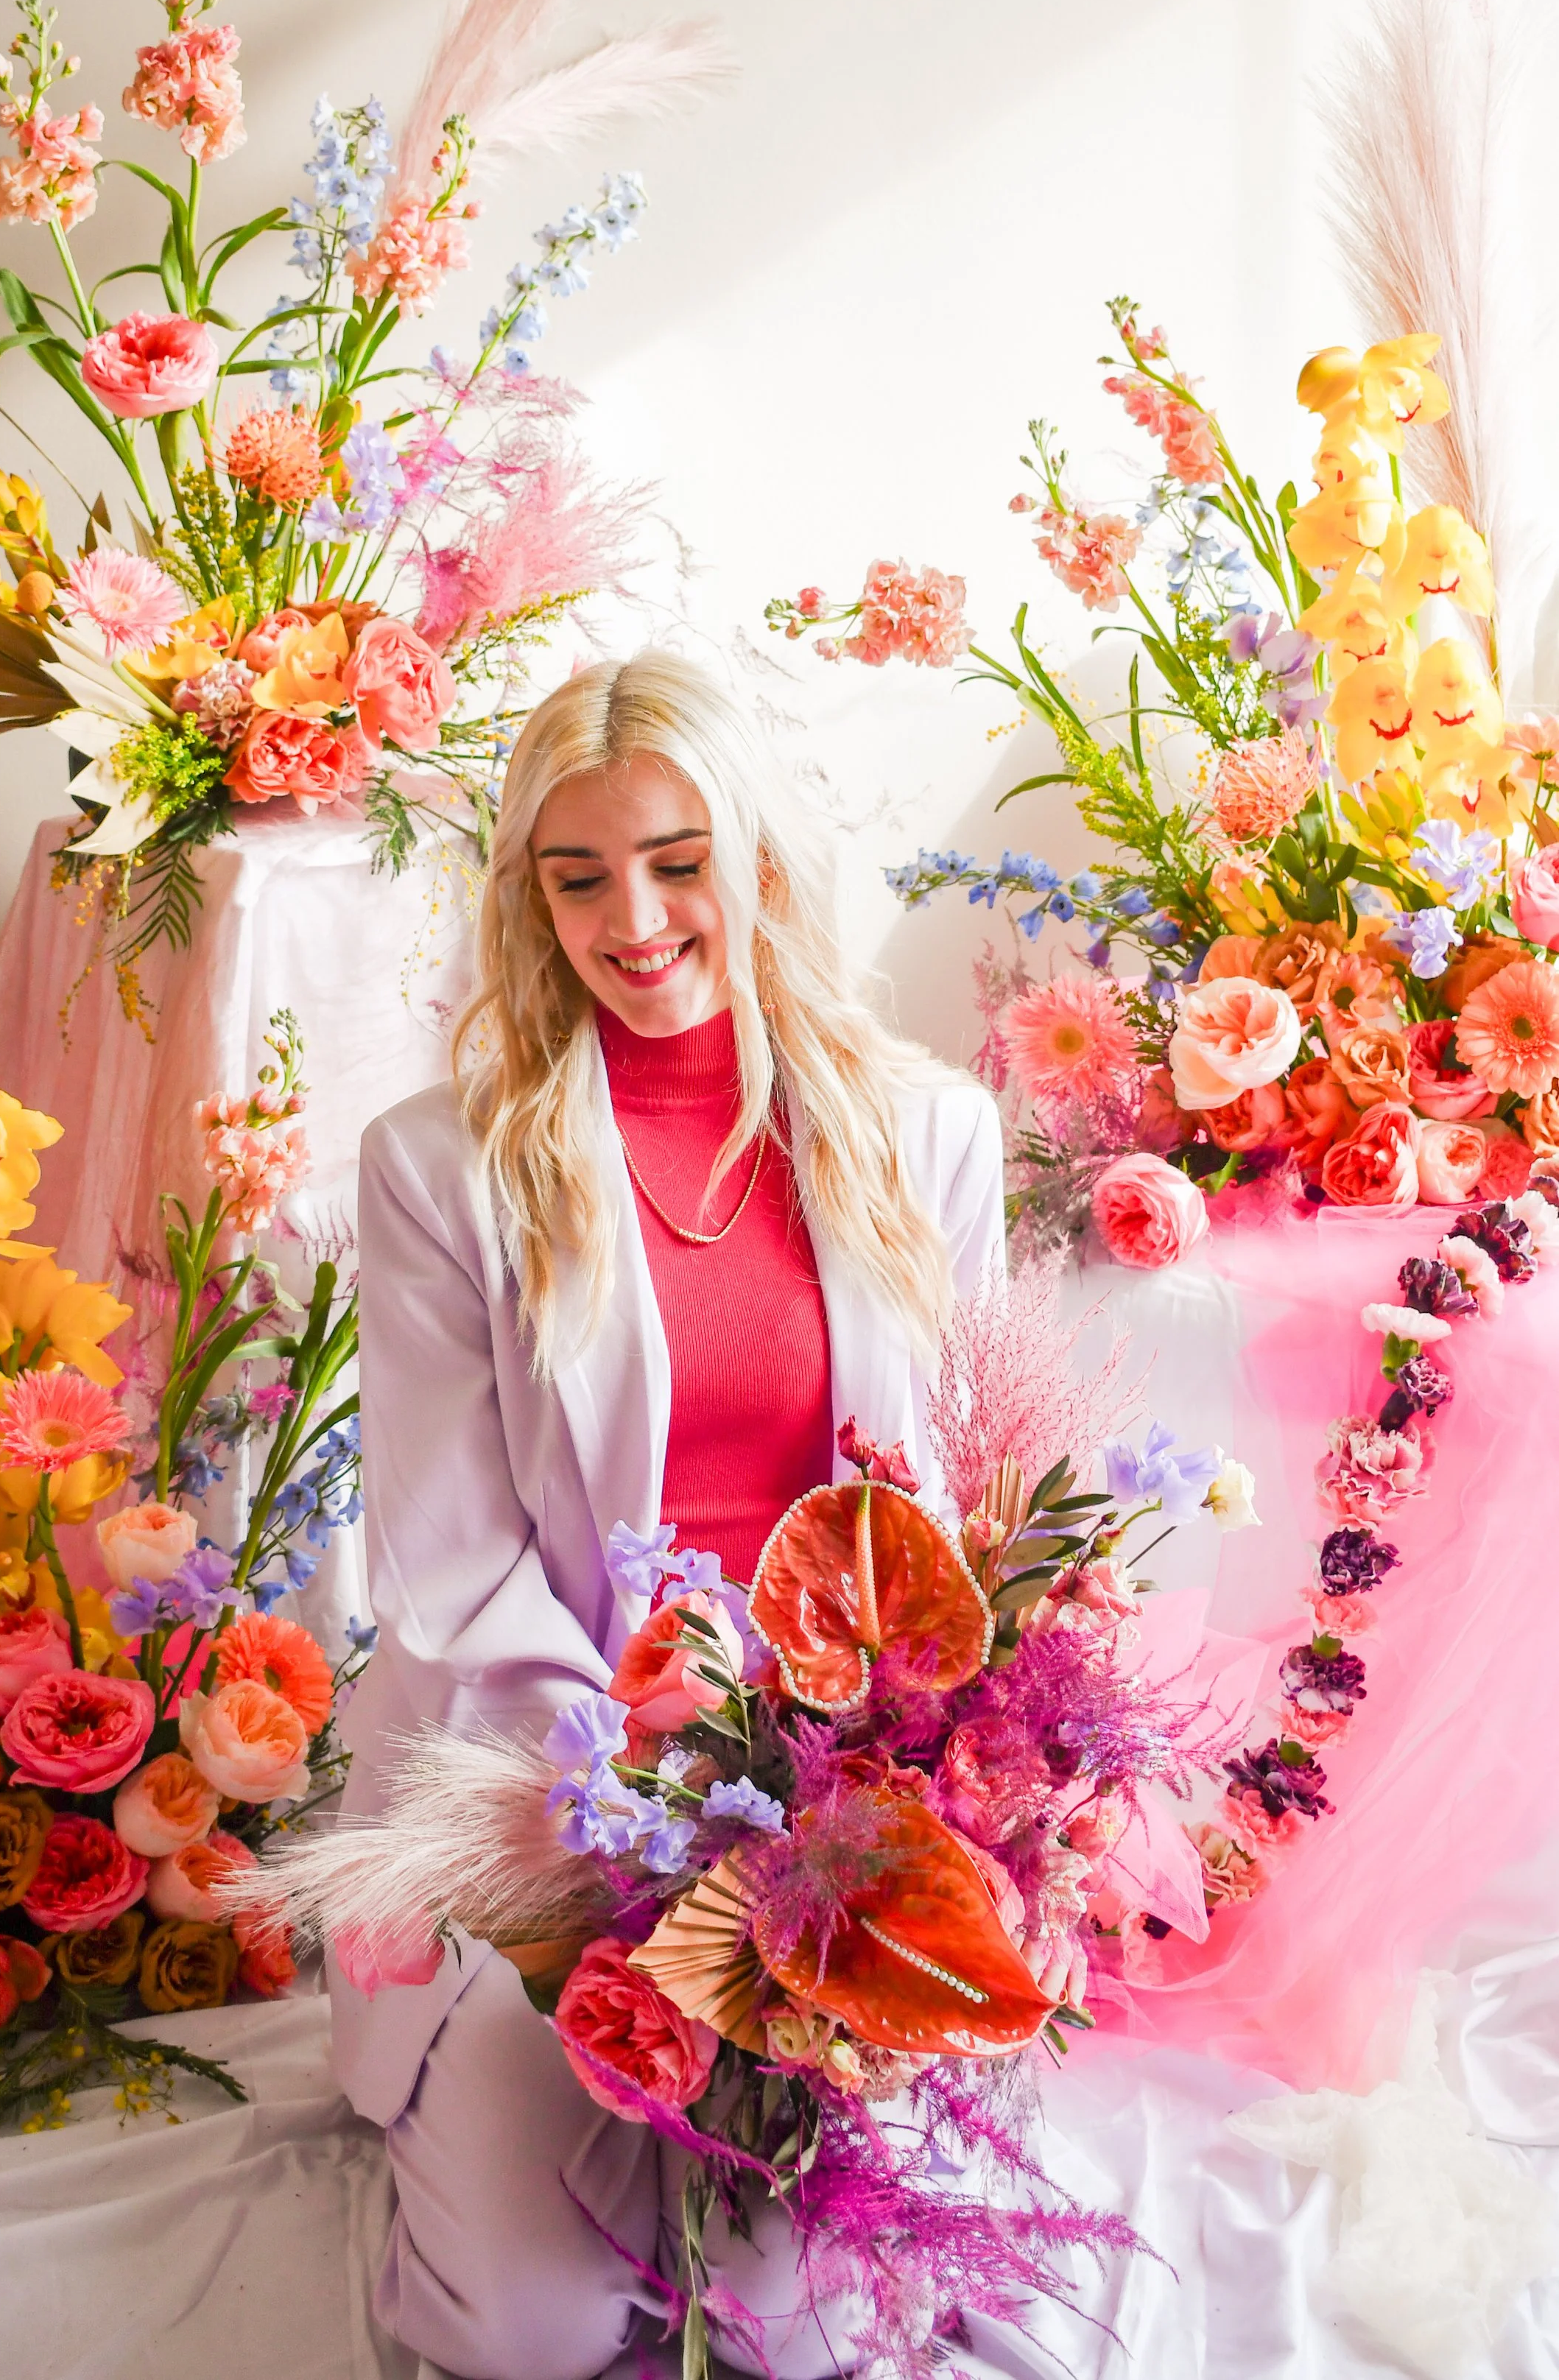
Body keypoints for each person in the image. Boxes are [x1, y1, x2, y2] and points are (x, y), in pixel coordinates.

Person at [331, 648, 1003, 2380]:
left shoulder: (925, 1132)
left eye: (674, 860)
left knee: (796, 2319)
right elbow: (454, 1571)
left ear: (756, 862)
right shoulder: (439, 1168)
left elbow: (968, 1501)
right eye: (576, 877)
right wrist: (652, 1803)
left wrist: (862, 1792)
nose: (631, 919)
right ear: (528, 899)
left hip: (837, 1808)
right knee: (533, 2339)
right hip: (547, 1790)